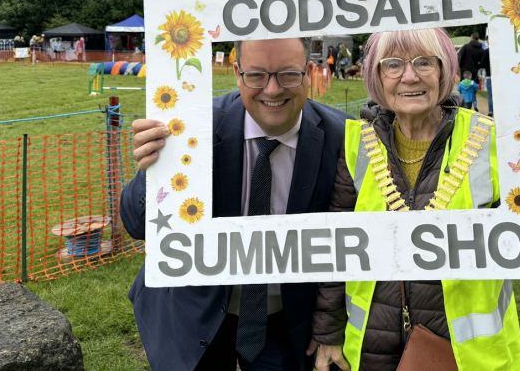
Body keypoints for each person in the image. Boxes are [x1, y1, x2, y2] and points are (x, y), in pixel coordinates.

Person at [310, 27, 520, 371]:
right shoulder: (357, 143)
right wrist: (328, 333)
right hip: (371, 346)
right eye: (393, 65)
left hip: (467, 353)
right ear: (376, 75)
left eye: (424, 63)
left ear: (445, 71)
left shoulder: (493, 141)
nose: (410, 76)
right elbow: (334, 248)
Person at [120, 37, 352, 371]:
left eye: (288, 74)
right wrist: (155, 170)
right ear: (236, 72)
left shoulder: (343, 136)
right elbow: (135, 225)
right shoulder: (193, 129)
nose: (272, 90)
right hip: (190, 311)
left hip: (286, 318)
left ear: (310, 72)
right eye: (256, 75)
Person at [478, 36, 493, 116]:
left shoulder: (487, 51)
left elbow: (482, 64)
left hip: (489, 75)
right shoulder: (500, 51)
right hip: (499, 77)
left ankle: (491, 112)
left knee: (490, 95)